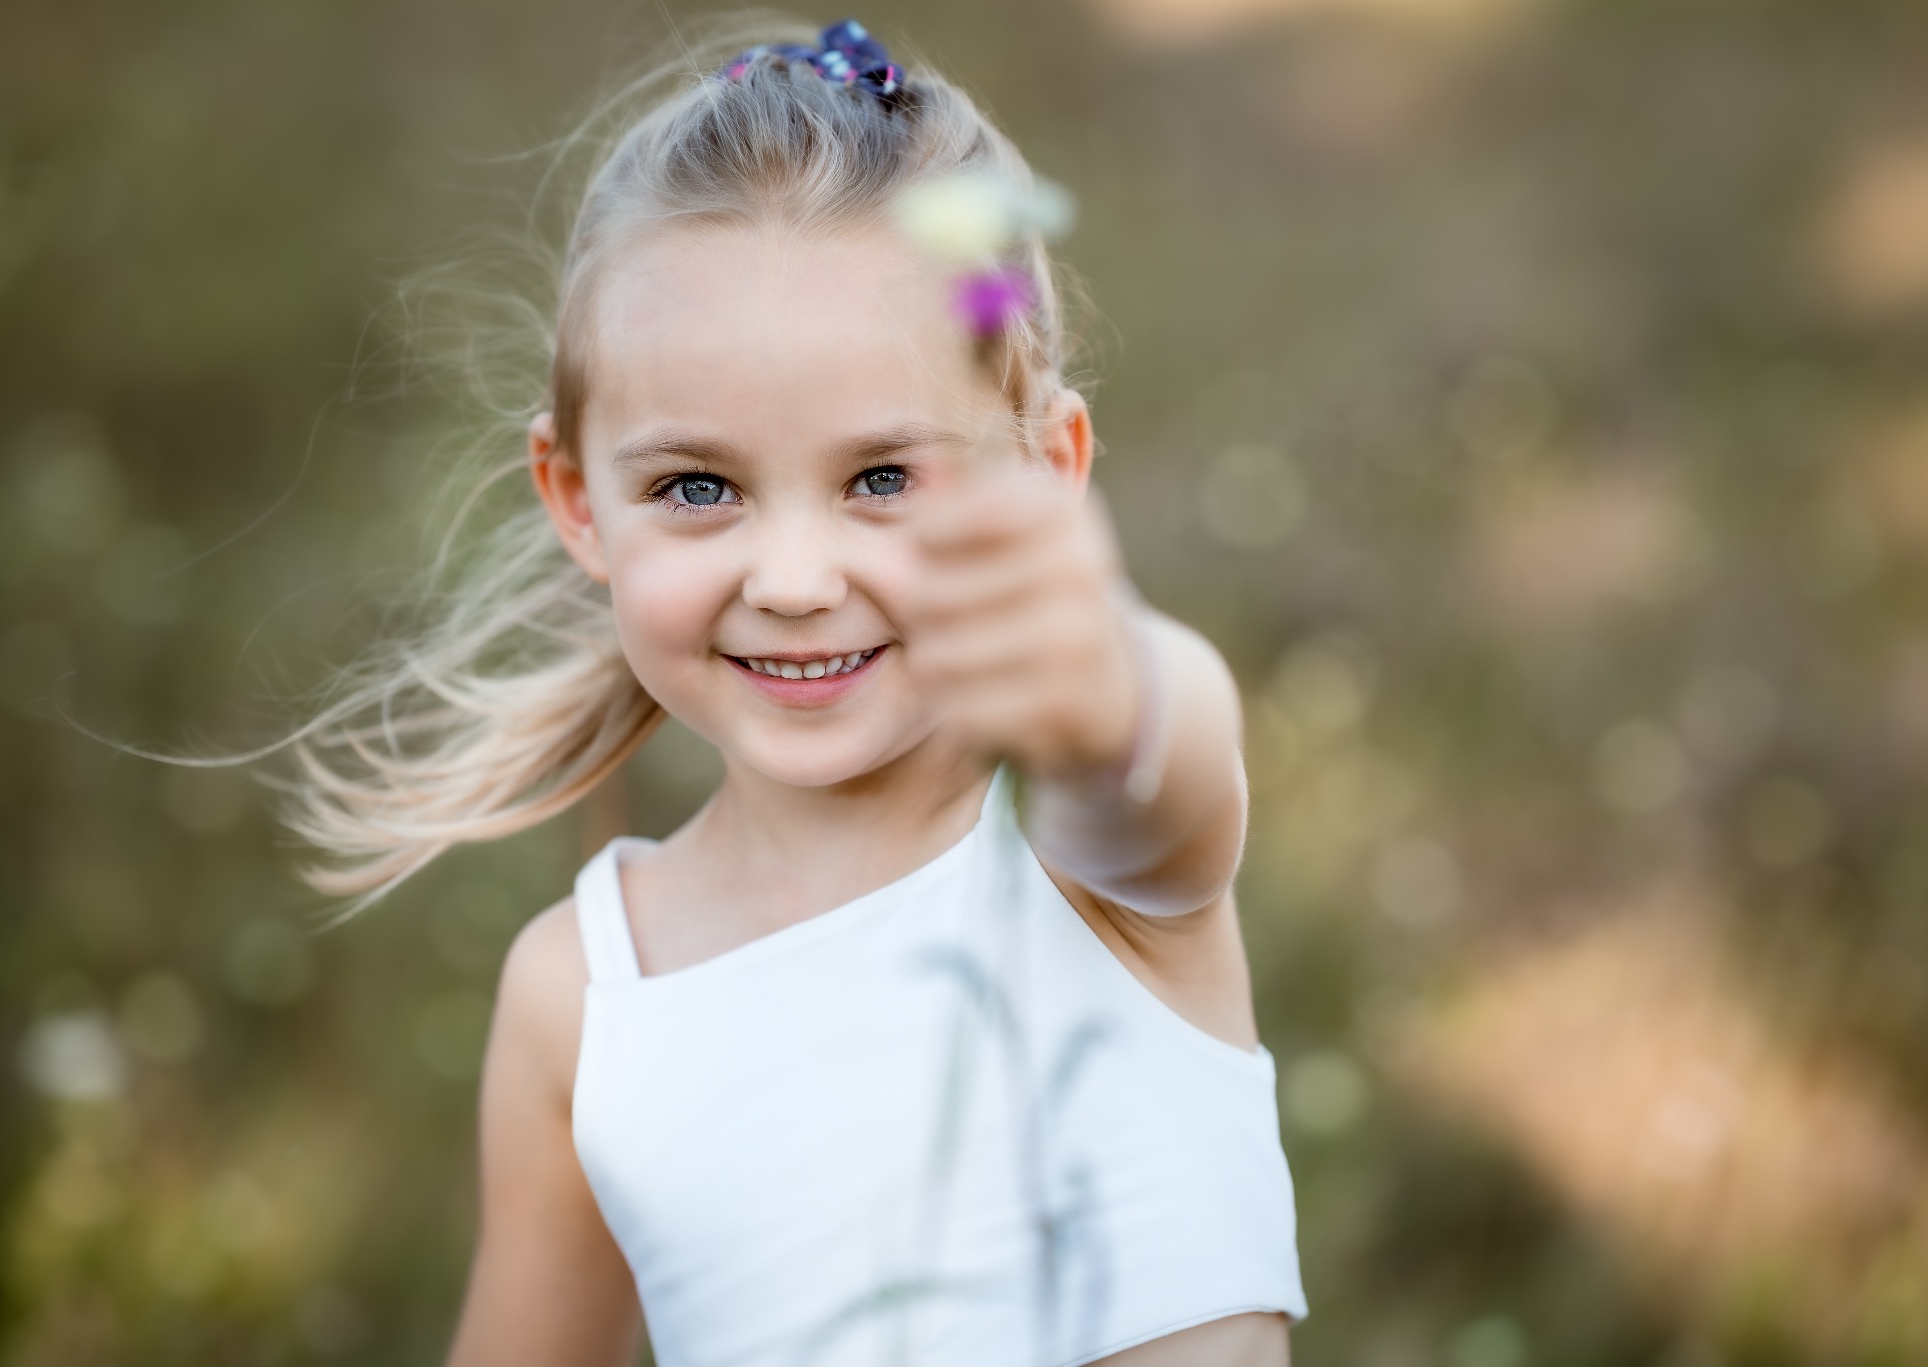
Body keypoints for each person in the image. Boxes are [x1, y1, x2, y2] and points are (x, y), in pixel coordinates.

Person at [283, 17, 1306, 1366]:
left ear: (1049, 468)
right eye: (697, 489)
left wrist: (1101, 673)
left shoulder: (1089, 858)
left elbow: (1162, 751)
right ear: (579, 503)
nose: (796, 577)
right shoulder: (587, 997)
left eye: (883, 479)